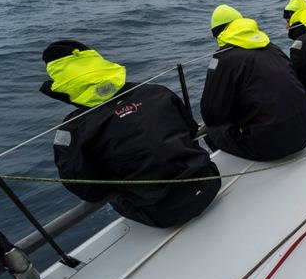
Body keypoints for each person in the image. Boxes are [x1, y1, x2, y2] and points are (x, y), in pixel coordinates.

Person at [40, 40, 220, 228]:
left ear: (60, 84)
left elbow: (89, 190)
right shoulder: (157, 91)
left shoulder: (73, 129)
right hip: (210, 183)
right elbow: (191, 130)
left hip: (162, 213)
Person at [201, 4, 306, 161]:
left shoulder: (223, 57)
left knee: (212, 130)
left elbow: (211, 115)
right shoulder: (271, 46)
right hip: (304, 132)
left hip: (272, 146)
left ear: (219, 34)